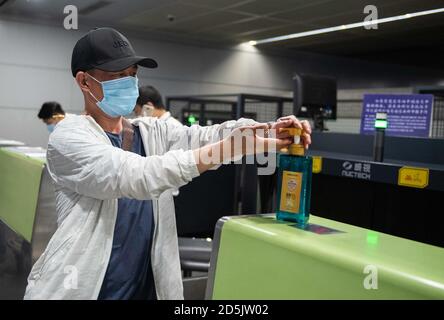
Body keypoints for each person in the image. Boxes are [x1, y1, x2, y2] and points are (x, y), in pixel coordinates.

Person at [24, 27, 311, 300]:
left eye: (132, 74)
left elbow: (205, 137)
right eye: (117, 75)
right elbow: (136, 176)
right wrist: (223, 150)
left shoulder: (150, 132)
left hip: (148, 291)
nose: (129, 82)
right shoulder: (69, 136)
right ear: (84, 81)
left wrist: (270, 130)